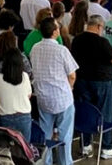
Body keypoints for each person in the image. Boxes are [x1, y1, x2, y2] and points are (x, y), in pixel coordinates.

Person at [71, 15, 112, 159]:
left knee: (86, 111)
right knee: (105, 112)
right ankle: (106, 146)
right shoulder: (102, 42)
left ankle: (85, 145)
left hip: (81, 79)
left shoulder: (77, 40)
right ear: (99, 26)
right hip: (101, 81)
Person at [30, 17, 78, 165]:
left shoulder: (35, 48)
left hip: (43, 97)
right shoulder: (61, 50)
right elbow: (71, 74)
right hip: (62, 97)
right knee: (65, 134)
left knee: (45, 133)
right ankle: (65, 162)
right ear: (55, 31)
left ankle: (46, 161)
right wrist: (69, 88)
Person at [0, 49, 32, 142]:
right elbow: (28, 95)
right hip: (24, 117)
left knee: (5, 150)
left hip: (4, 118)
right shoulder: (25, 76)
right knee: (24, 149)